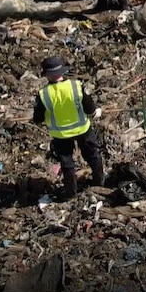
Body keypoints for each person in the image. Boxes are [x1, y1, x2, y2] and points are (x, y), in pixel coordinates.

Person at [33, 56, 105, 199]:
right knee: (93, 156)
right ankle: (100, 183)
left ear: (47, 75)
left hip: (60, 135)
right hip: (83, 129)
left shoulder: (44, 94)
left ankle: (70, 193)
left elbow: (38, 118)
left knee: (67, 164)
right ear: (62, 72)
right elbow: (89, 107)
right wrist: (95, 113)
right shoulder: (76, 86)